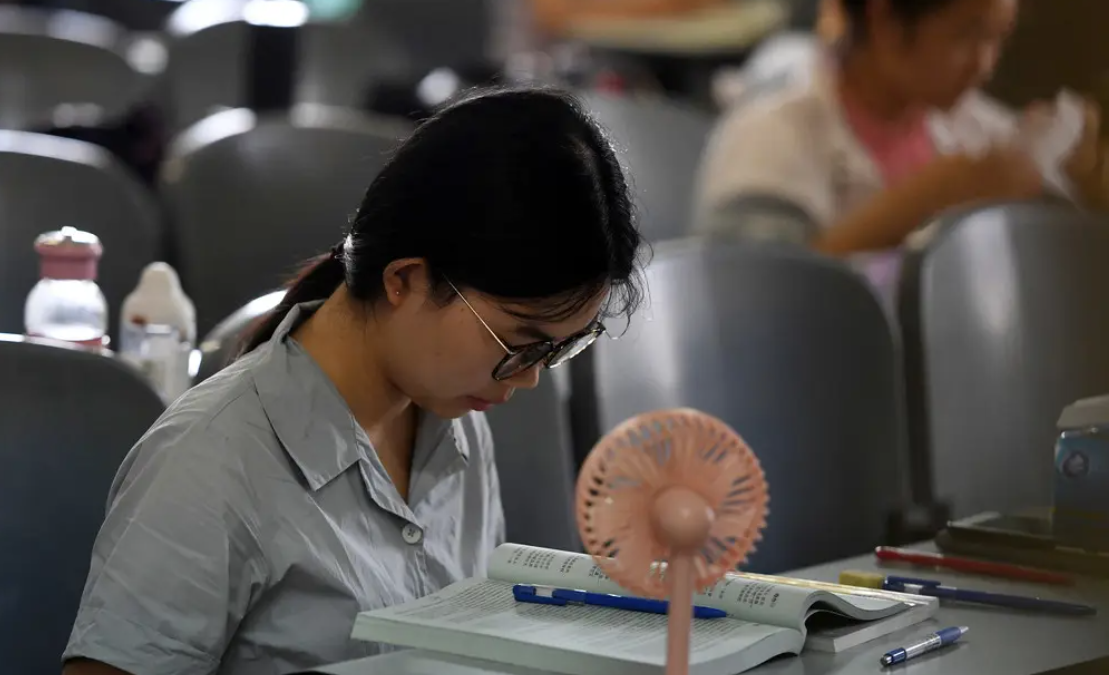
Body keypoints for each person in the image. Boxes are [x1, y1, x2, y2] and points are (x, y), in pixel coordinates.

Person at [62, 87, 645, 675]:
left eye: (560, 349)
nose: (530, 378)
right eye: (518, 343)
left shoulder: (457, 423)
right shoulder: (210, 462)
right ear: (405, 279)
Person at [694, 0, 1109, 261]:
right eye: (967, 36)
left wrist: (1089, 194)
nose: (985, 65)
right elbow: (756, 299)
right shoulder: (769, 134)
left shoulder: (978, 129)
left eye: (998, 39)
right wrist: (933, 197)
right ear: (886, 20)